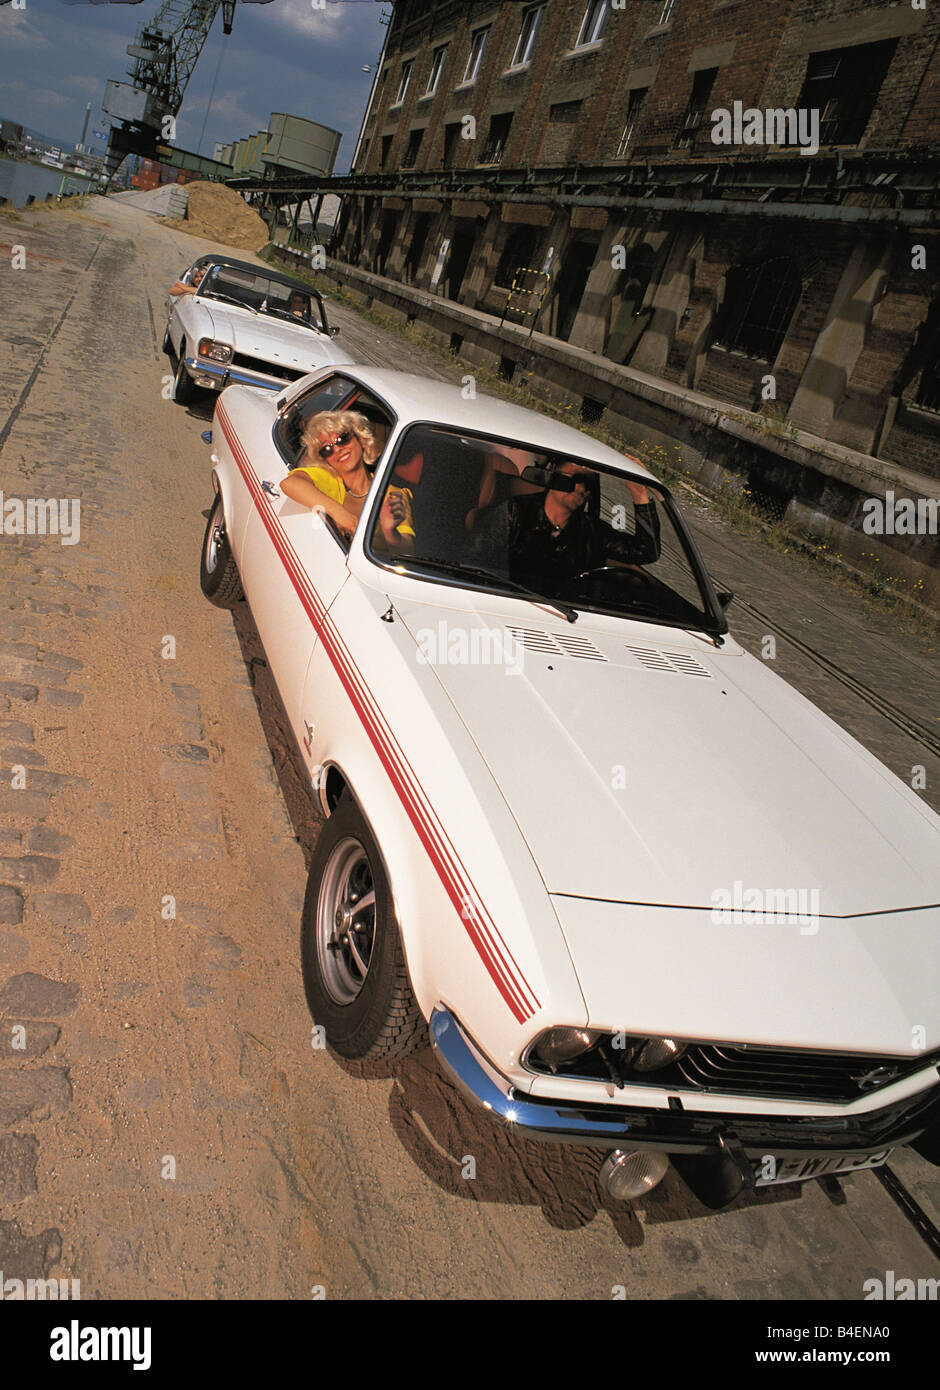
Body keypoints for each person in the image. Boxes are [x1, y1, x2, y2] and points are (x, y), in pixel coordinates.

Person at [472, 460, 660, 586]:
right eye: (577, 479)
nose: (583, 488)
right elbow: (477, 562)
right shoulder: (514, 512)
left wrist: (639, 494)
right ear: (554, 478)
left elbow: (645, 552)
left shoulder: (591, 530)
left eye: (589, 484)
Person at [279, 409, 413, 551]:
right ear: (324, 459)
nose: (337, 449)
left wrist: (390, 532)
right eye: (327, 449)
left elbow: (407, 549)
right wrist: (339, 514)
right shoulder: (328, 478)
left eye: (342, 439)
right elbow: (290, 483)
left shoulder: (392, 493)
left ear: (361, 439)